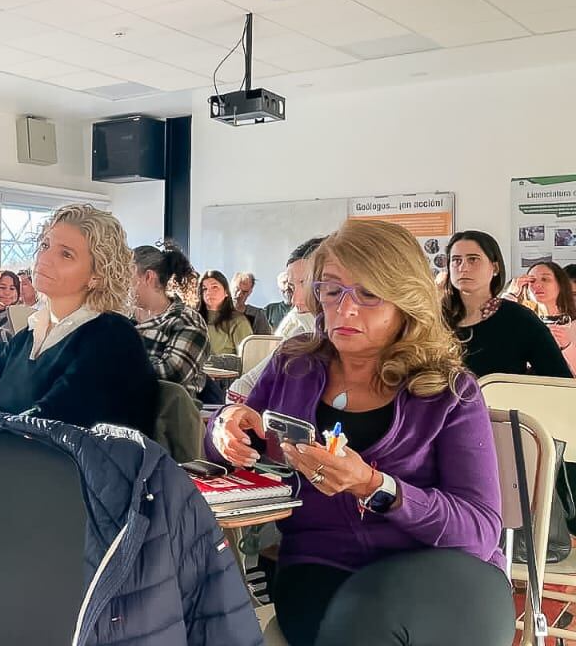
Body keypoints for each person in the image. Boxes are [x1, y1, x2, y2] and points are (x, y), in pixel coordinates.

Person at [208, 219, 513, 646]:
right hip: (322, 568)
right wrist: (224, 428)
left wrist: (375, 486)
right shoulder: (294, 365)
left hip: (445, 573)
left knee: (372, 618)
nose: (344, 309)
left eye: (369, 294)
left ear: (405, 300)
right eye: (332, 290)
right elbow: (234, 448)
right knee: (357, 625)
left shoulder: (449, 391)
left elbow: (479, 531)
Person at [0, 204, 159, 434]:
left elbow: (54, 420)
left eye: (66, 254)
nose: (45, 258)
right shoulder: (27, 336)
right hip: (8, 461)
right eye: (45, 245)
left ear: (97, 275)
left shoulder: (113, 338)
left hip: (72, 467)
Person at [443, 230, 571, 378]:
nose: (463, 268)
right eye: (456, 260)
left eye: (473, 259)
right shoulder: (434, 319)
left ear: (495, 267)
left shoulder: (519, 319)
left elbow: (559, 378)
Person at [230, 236, 326, 403]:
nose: (296, 300)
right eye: (292, 287)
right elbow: (241, 387)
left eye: (305, 283)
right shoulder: (299, 336)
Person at [132, 243, 210, 395]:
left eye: (126, 276)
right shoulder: (121, 317)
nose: (120, 284)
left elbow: (172, 374)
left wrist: (111, 363)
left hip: (166, 415)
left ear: (148, 277)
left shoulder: (186, 321)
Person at [505, 260, 576, 374]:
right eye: (532, 281)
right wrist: (511, 294)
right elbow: (497, 323)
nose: (537, 285)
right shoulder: (526, 323)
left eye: (545, 279)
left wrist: (566, 346)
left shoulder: (572, 325)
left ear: (561, 284)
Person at [197, 270, 252, 357]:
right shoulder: (193, 318)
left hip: (224, 369)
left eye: (214, 287)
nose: (208, 292)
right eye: (204, 288)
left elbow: (248, 358)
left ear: (226, 292)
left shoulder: (238, 321)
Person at [231, 271, 273, 335]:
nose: (239, 294)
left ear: (250, 292)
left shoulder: (257, 315)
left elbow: (265, 341)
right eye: (237, 289)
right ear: (230, 287)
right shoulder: (217, 311)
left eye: (244, 292)